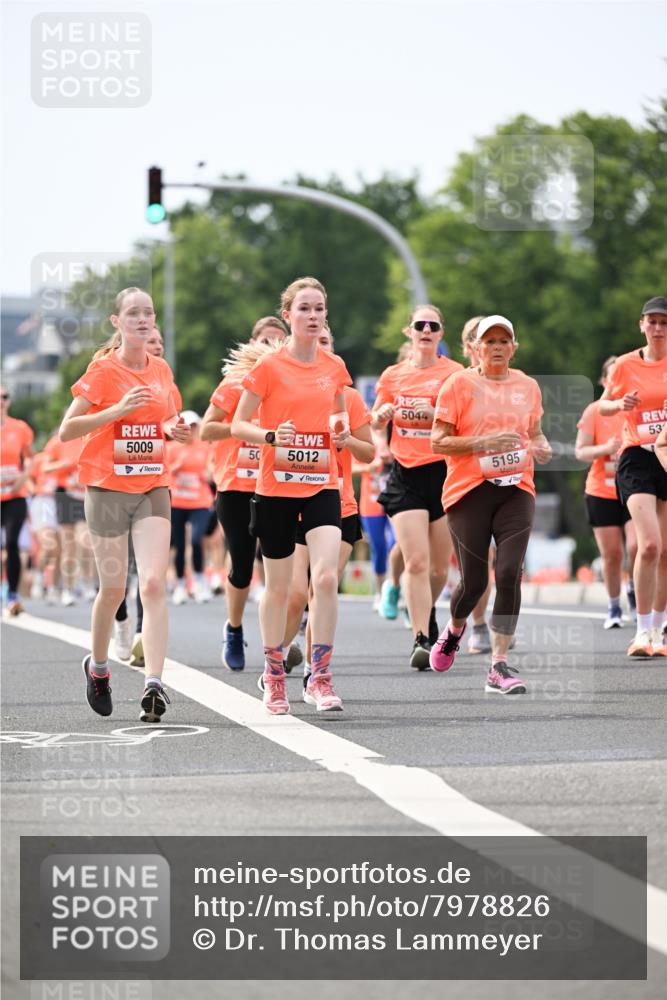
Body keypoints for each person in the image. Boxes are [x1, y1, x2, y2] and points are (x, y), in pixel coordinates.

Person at [59, 287, 190, 721]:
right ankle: (98, 669)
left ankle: (154, 683)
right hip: (108, 488)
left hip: (153, 485)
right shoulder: (103, 370)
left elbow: (168, 417)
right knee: (114, 588)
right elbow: (68, 430)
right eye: (133, 313)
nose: (142, 319)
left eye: (148, 313)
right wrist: (115, 410)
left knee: (152, 584)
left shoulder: (161, 368)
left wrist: (177, 430)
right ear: (117, 322)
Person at [231, 277, 352, 714]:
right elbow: (237, 424)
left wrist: (340, 430)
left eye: (319, 309)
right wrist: (268, 435)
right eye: (304, 309)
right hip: (276, 489)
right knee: (280, 588)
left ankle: (319, 678)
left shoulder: (334, 366)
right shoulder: (268, 368)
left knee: (323, 579)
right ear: (288, 315)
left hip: (321, 483)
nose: (313, 316)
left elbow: (339, 412)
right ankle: (274, 677)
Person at [430, 315, 552, 692]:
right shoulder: (458, 384)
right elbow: (438, 441)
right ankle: (454, 629)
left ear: (513, 348)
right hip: (469, 490)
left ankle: (498, 666)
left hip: (518, 487)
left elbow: (534, 433)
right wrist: (482, 443)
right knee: (474, 581)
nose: (497, 347)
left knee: (511, 570)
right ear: (476, 348)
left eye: (504, 341)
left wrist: (541, 445)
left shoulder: (528, 386)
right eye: (490, 341)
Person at [277, 324, 374, 685]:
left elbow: (370, 451)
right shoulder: (287, 389)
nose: (321, 349)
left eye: (327, 343)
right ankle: (278, 658)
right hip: (295, 502)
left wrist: (347, 440)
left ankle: (314, 672)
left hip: (339, 505)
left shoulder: (349, 398)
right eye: (315, 342)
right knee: (295, 594)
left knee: (324, 584)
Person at [371, 305, 462, 669]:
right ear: (409, 331)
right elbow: (376, 421)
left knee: (440, 568)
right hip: (405, 473)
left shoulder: (455, 374)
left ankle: (427, 614)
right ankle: (421, 637)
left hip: (443, 473)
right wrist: (379, 430)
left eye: (433, 325)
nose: (426, 330)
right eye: (420, 325)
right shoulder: (393, 376)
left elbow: (465, 420)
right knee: (417, 561)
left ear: (441, 334)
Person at [200, 316, 288, 671]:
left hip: (280, 483)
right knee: (241, 565)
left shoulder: (290, 383)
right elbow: (207, 429)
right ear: (252, 344)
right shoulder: (235, 383)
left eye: (278, 342)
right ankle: (234, 628)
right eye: (265, 341)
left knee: (282, 567)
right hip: (237, 484)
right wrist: (247, 430)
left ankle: (280, 642)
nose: (271, 348)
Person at [599, 296, 667, 658]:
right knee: (649, 545)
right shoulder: (625, 365)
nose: (657, 328)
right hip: (637, 456)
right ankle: (641, 632)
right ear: (641, 324)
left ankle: (660, 630)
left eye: (664, 323)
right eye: (652, 322)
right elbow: (604, 403)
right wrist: (621, 404)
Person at [575, 356, 638, 628]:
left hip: (635, 486)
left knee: (638, 546)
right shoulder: (594, 411)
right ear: (604, 382)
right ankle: (614, 606)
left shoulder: (635, 405)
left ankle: (635, 592)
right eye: (611, 378)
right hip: (602, 490)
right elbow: (580, 451)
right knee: (612, 554)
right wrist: (604, 450)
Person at [168, 411, 215, 605]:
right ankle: (180, 585)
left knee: (196, 540)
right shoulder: (170, 448)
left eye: (195, 426)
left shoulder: (205, 447)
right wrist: (176, 467)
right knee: (179, 545)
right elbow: (163, 473)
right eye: (188, 427)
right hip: (177, 502)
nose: (192, 431)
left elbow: (212, 471)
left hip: (200, 502)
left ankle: (199, 581)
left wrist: (209, 475)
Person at [0, 386, 34, 615]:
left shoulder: (20, 428)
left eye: (4, 397)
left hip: (15, 495)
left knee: (12, 542)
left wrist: (23, 479)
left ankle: (12, 595)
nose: (1, 401)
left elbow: (31, 458)